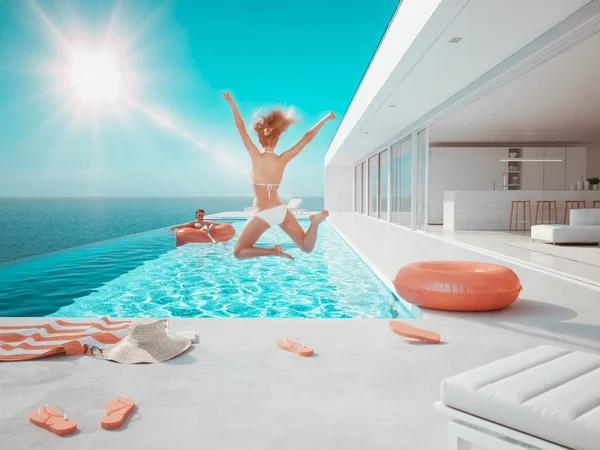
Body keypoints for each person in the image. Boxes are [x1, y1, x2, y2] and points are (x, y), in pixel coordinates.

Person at [222, 91, 335, 260]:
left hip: (262, 213)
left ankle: (273, 251)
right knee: (306, 247)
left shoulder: (255, 155)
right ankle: (314, 223)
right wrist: (325, 119)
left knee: (238, 253)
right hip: (280, 210)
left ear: (260, 139)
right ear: (277, 139)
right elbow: (306, 139)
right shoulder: (283, 159)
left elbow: (241, 128)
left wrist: (231, 102)